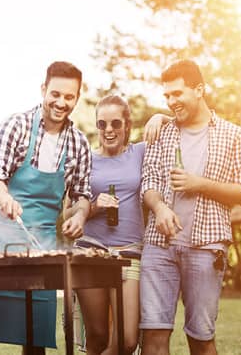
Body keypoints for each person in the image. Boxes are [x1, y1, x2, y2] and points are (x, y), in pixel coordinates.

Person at [0, 61, 92, 355]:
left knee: (35, 340)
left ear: (77, 97)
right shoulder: (16, 126)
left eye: (69, 97)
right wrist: (5, 200)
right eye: (56, 94)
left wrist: (79, 215)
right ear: (43, 90)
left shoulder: (78, 143)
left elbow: (82, 195)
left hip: (42, 250)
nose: (61, 103)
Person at [139, 59, 241, 355]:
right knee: (152, 334)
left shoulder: (233, 135)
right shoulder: (162, 132)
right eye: (166, 96)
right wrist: (160, 209)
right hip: (158, 245)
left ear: (199, 89)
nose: (171, 101)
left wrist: (199, 184)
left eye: (177, 93)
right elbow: (148, 183)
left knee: (201, 338)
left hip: (206, 247)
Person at [69, 95, 170, 355]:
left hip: (129, 251)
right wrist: (94, 207)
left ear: (127, 125)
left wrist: (161, 117)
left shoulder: (141, 152)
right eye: (102, 124)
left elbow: (179, 129)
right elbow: (67, 215)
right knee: (97, 337)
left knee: (126, 340)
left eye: (115, 123)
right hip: (91, 251)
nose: (109, 130)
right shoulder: (86, 160)